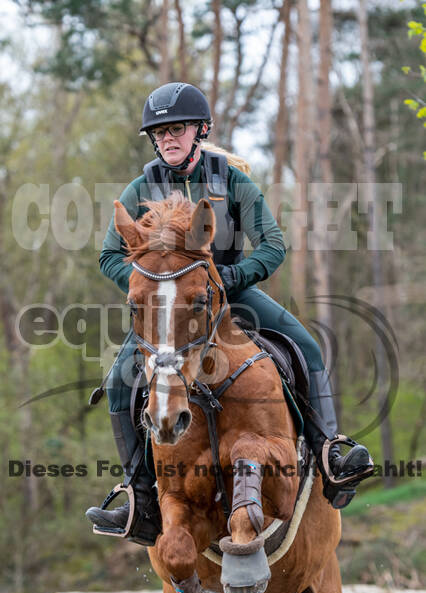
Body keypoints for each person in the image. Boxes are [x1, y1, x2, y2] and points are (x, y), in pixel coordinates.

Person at [86, 82, 373, 546]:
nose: (168, 139)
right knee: (120, 379)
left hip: (230, 293)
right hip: (171, 309)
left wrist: (228, 279)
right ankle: (138, 494)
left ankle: (330, 452)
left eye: (177, 129)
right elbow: (108, 257)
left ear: (200, 130)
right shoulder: (141, 188)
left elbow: (275, 245)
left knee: (307, 344)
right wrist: (157, 287)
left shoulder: (232, 182)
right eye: (159, 134)